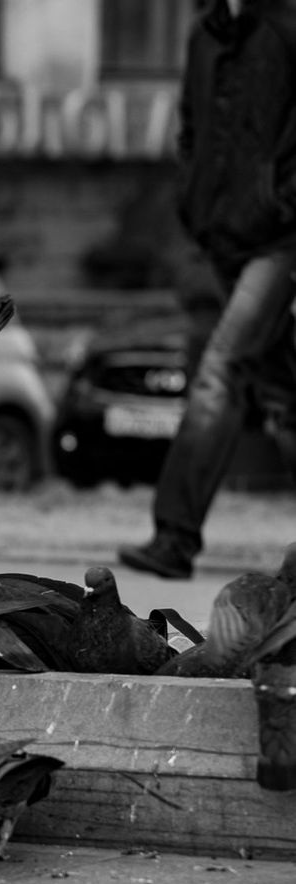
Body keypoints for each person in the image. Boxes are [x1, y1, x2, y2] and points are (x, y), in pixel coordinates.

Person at [119, 0, 296, 580]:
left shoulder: (286, 28)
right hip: (223, 236)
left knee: (220, 369)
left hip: (280, 239)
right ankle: (175, 535)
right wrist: (194, 199)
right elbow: (191, 128)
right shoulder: (204, 36)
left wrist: (281, 200)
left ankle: (174, 537)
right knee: (279, 390)